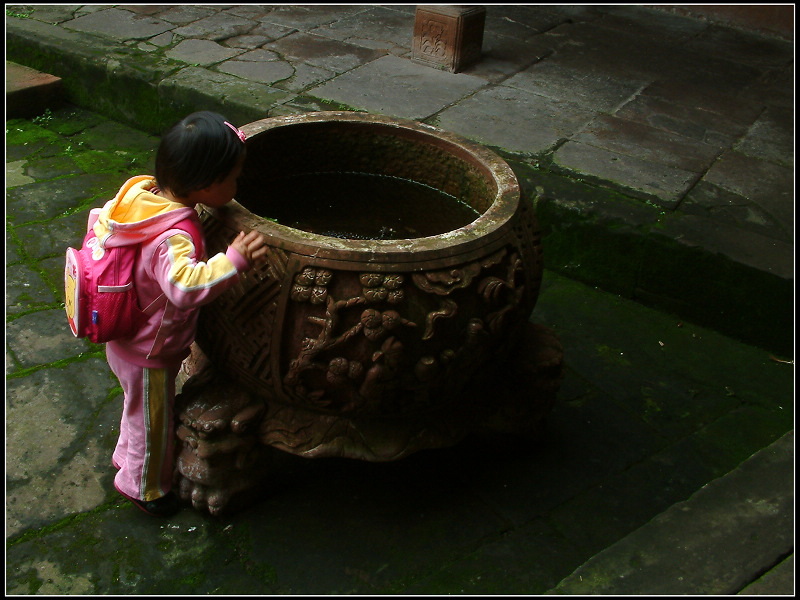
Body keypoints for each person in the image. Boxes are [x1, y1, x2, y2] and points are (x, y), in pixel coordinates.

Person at [94, 111, 268, 517]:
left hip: (128, 337)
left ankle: (126, 457)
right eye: (234, 178)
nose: (238, 185)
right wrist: (234, 260)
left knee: (138, 410)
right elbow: (184, 286)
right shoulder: (173, 236)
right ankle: (143, 487)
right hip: (148, 351)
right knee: (154, 424)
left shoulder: (144, 198)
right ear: (205, 185)